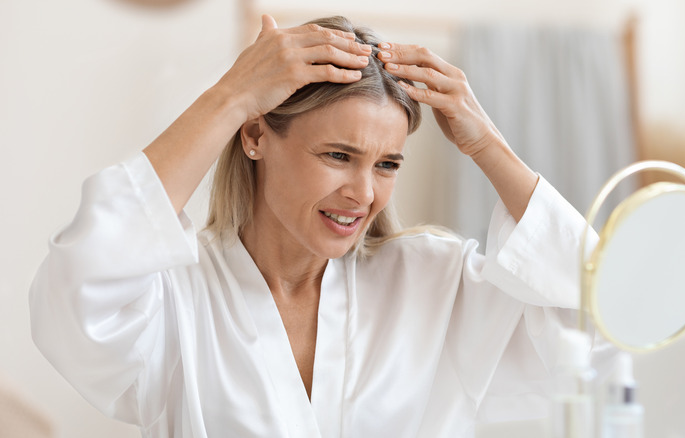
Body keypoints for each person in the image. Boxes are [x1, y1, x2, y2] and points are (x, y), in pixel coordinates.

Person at [29, 14, 612, 438]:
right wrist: (231, 96)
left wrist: (487, 144)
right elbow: (79, 285)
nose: (363, 194)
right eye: (338, 156)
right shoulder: (176, 296)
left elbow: (601, 322)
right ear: (256, 136)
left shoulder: (435, 283)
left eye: (387, 164)